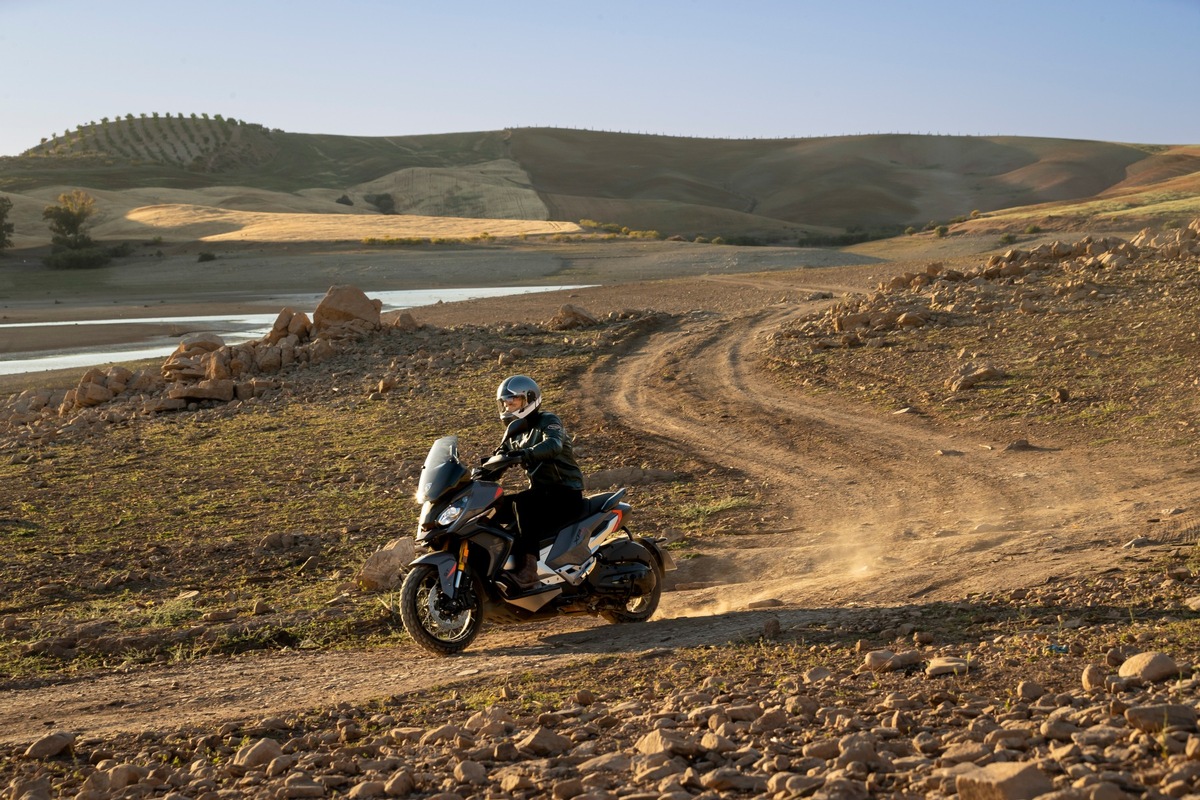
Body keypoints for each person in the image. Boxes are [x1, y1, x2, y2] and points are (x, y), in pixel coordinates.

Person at [481, 375, 584, 586]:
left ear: (529, 399)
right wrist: (480, 473)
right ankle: (494, 566)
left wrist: (524, 454)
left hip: (565, 492)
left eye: (513, 401)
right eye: (505, 402)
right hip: (542, 494)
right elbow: (499, 458)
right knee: (487, 507)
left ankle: (529, 570)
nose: (508, 406)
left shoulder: (549, 421)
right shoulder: (515, 432)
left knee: (523, 503)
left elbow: (554, 445)